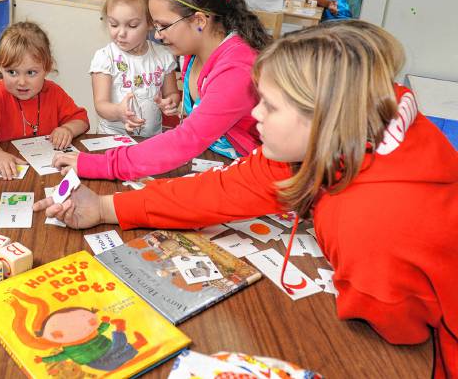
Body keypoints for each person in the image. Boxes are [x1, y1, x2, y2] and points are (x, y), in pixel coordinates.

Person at [35, 21, 458, 379]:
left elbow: (401, 329)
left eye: (269, 107)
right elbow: (223, 189)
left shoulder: (370, 224)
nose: (255, 116)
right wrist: (108, 208)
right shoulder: (358, 122)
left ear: (323, 120)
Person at [55, 0, 268, 181]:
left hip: (244, 171)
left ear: (199, 21)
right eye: (155, 26)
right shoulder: (193, 52)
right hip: (212, 161)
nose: (157, 36)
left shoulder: (236, 69)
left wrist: (99, 164)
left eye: (163, 26)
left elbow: (187, 139)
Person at [0, 22, 90, 179]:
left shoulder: (53, 92)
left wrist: (68, 129)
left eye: (31, 72)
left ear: (47, 67)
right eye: (12, 72)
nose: (22, 82)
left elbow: (81, 120)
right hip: (7, 170)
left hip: (46, 172)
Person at [90, 0, 179, 138]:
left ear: (150, 23)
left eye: (132, 25)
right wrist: (119, 112)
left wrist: (170, 102)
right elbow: (100, 104)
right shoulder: (105, 57)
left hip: (152, 140)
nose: (121, 33)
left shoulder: (163, 56)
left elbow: (172, 93)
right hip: (112, 138)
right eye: (114, 24)